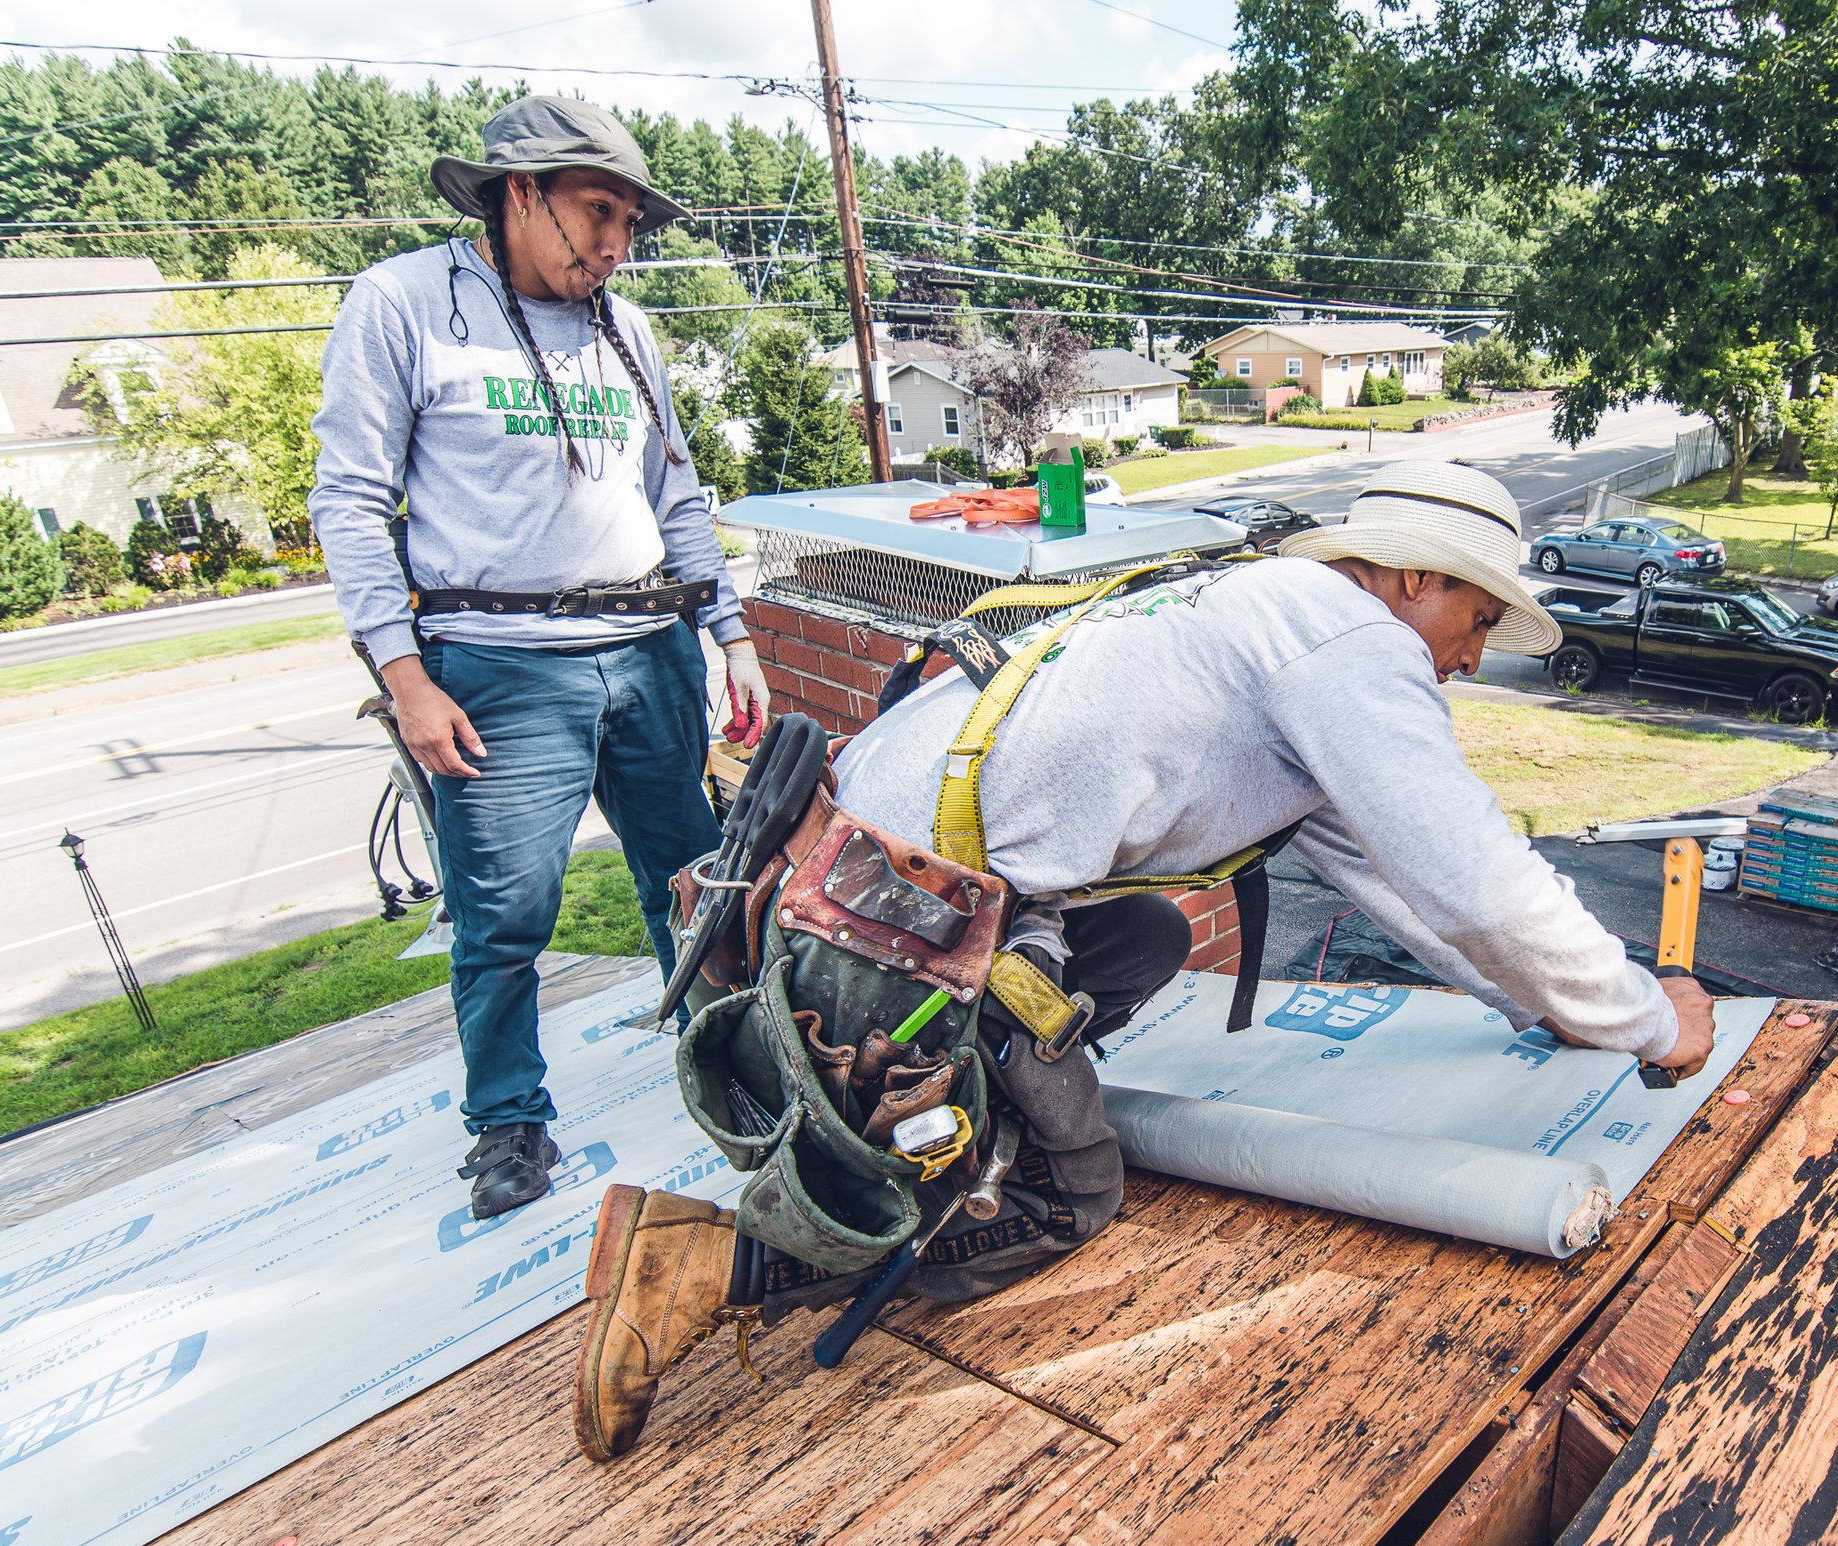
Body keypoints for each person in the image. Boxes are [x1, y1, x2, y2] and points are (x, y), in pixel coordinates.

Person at [571, 461, 1719, 1460]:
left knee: (1153, 933)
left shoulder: (1267, 607)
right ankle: (718, 1260)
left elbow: (1405, 880)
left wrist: (1537, 1003)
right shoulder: (1350, 641)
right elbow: (1481, 874)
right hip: (883, 928)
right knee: (1074, 1197)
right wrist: (1650, 1022)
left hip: (867, 881)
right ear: (1412, 575)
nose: (1472, 657)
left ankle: (969, 1107)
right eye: (1476, 617)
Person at [310, 96, 769, 1220]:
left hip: (649, 649)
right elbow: (351, 498)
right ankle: (508, 1118)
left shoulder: (625, 326)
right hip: (498, 667)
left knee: (697, 885)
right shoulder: (405, 303)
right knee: (503, 914)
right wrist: (401, 674)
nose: (617, 244)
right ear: (518, 193)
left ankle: (739, 1065)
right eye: (597, 213)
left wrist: (729, 630)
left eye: (629, 222)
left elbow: (676, 489)